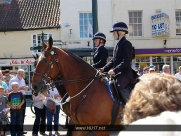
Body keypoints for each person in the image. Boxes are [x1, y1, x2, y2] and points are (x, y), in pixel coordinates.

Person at [99, 21, 135, 97]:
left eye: (114, 32)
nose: (113, 34)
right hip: (118, 74)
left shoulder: (126, 43)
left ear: (120, 32)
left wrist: (114, 70)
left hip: (125, 74)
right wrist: (104, 68)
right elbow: (113, 60)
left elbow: (126, 61)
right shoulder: (118, 44)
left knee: (118, 86)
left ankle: (128, 106)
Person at [8, 69, 29, 135]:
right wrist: (20, 88)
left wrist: (25, 88)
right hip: (14, 99)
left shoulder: (22, 80)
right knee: (14, 119)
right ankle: (14, 132)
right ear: (18, 73)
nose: (23, 76)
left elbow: (23, 89)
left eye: (23, 74)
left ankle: (21, 131)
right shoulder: (12, 80)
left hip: (22, 98)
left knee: (22, 115)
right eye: (21, 74)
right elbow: (9, 90)